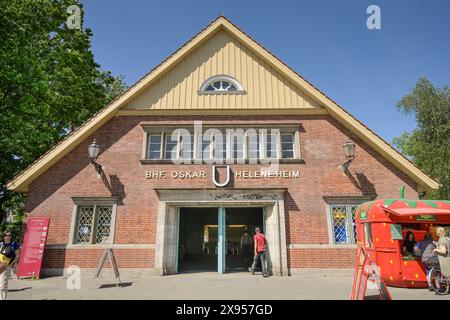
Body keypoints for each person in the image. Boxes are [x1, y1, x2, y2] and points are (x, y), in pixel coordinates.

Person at [0, 231, 21, 300]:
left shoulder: (14, 245)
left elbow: (17, 256)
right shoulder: (1, 244)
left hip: (6, 267)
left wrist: (11, 264)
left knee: (3, 285)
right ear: (4, 236)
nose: (8, 237)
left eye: (10, 235)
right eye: (7, 235)